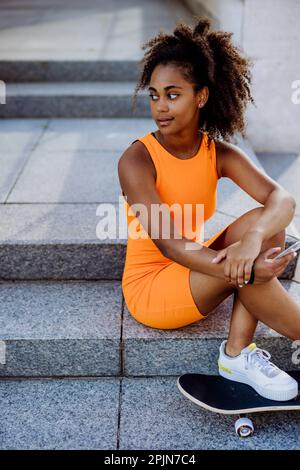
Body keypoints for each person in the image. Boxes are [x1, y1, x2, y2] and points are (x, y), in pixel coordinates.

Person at [118, 17, 300, 401]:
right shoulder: (137, 160)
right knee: (251, 266)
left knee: (266, 225)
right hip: (154, 289)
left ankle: (236, 353)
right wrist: (246, 268)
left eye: (173, 94)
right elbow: (170, 246)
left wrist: (251, 240)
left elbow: (282, 200)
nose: (160, 107)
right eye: (154, 95)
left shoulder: (217, 153)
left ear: (201, 96)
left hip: (195, 267)